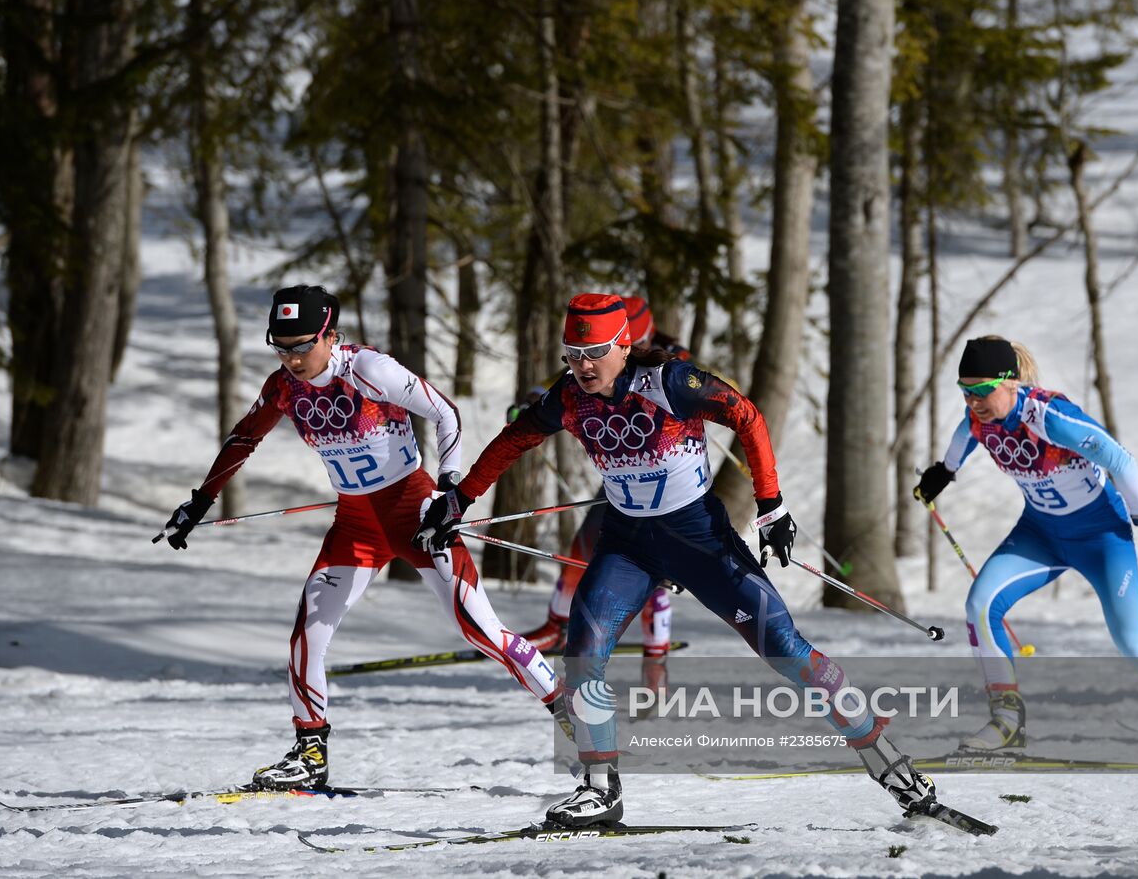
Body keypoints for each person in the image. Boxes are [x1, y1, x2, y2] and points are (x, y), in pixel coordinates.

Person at [415, 294, 942, 827]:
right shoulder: (570, 397)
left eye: (595, 352)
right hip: (627, 544)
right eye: (572, 354)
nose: (583, 366)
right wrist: (458, 500)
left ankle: (892, 767)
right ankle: (600, 787)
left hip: (698, 539)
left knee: (784, 648)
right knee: (584, 648)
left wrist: (771, 503)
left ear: (624, 345)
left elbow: (748, 417)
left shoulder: (671, 383)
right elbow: (514, 440)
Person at [161, 285, 566, 792]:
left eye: (302, 345)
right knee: (308, 631)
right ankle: (309, 750)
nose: (291, 359)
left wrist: (449, 490)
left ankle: (572, 711)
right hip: (355, 522)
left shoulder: (369, 371)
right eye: (280, 347)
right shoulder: (284, 387)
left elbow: (445, 413)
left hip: (411, 512)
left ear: (330, 336)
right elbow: (246, 437)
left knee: (479, 630)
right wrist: (200, 500)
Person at [914, 336, 1138, 773]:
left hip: (1101, 538)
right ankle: (1007, 722)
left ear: (1010, 382)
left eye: (981, 391)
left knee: (1133, 641)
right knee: (979, 605)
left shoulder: (1050, 416)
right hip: (1041, 534)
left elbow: (1121, 460)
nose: (973, 401)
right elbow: (966, 435)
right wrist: (945, 471)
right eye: (965, 390)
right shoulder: (979, 418)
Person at [519, 297, 686, 692]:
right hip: (621, 474)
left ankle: (656, 659)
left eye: (633, 338)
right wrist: (531, 402)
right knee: (584, 543)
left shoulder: (671, 355)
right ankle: (557, 623)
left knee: (654, 572)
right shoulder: (592, 358)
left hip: (668, 478)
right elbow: (565, 380)